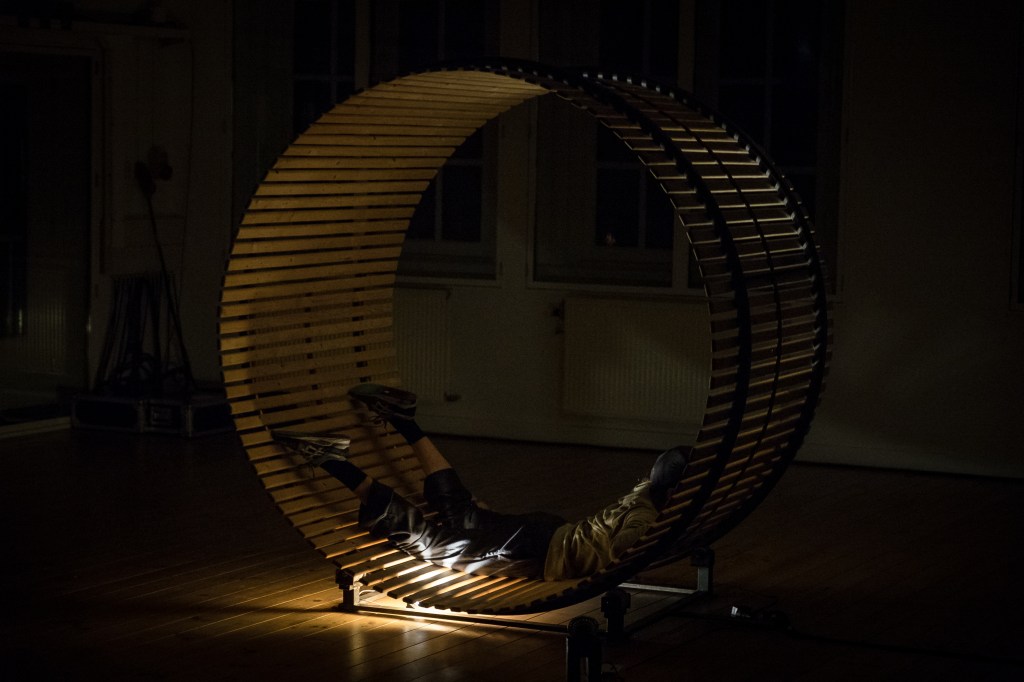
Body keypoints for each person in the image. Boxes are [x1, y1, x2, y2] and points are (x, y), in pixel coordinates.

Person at [273, 383, 689, 580]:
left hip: (546, 530)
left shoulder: (643, 495)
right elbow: (624, 554)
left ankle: (405, 421)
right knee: (435, 545)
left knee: (464, 513)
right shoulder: (648, 520)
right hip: (536, 549)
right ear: (674, 493)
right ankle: (332, 462)